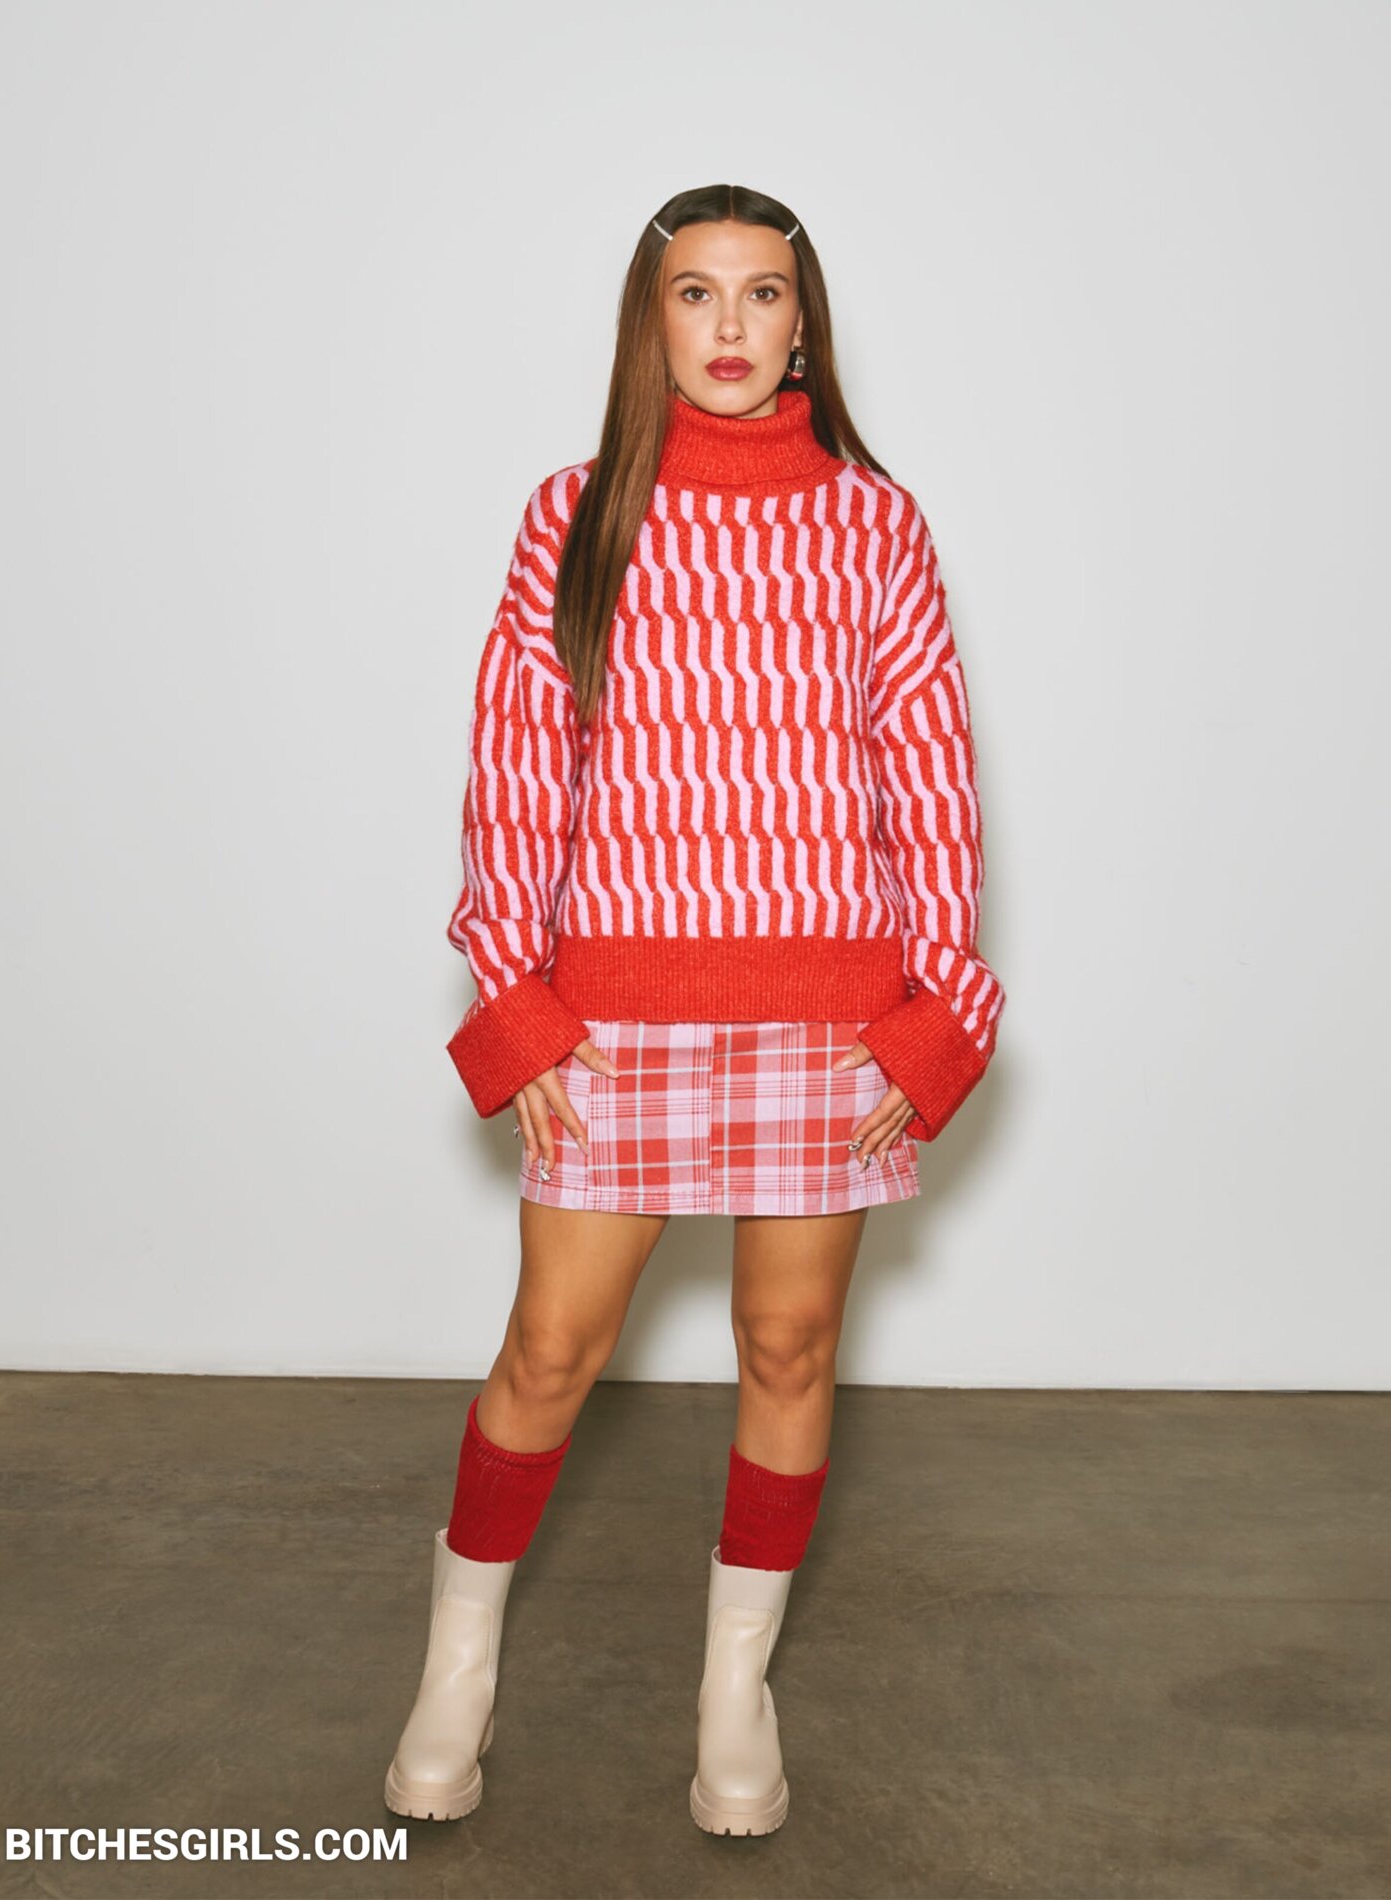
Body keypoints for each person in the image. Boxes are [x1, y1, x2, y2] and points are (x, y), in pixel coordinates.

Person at [383, 183, 1006, 1837]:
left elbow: (929, 779)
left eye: (761, 293)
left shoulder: (874, 523)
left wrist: (937, 1010)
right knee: (548, 1350)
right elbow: (517, 764)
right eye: (693, 293)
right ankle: (457, 1663)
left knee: (788, 1348)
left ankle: (736, 1690)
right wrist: (514, 999)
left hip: (828, 1016)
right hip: (611, 1018)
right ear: (646, 322)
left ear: (804, 326)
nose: (729, 325)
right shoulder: (574, 511)